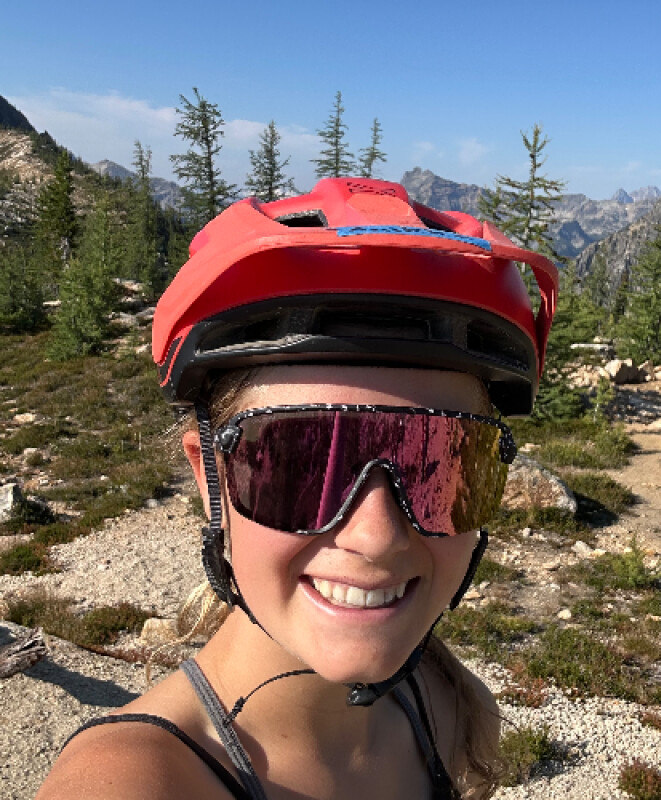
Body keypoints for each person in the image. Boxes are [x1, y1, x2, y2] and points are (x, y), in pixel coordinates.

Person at [36, 177, 558, 800]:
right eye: (302, 464)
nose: (378, 537)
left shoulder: (454, 708)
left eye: (438, 464)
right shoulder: (134, 783)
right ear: (209, 476)